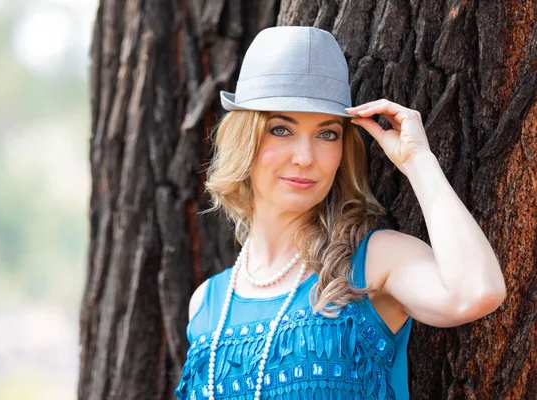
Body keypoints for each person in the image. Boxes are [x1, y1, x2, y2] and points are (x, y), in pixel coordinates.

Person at [174, 26, 506, 400]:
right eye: (281, 129)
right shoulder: (207, 304)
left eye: (327, 134)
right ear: (244, 139)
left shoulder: (373, 263)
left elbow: (477, 293)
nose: (305, 157)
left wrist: (418, 161)